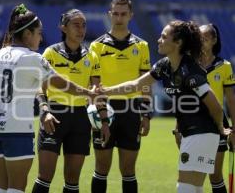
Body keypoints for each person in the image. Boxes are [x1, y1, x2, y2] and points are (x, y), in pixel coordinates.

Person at [97, 20, 232, 193]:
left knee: (184, 188)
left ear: (178, 43)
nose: (159, 40)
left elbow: (215, 106)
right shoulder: (164, 66)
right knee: (195, 188)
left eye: (164, 37)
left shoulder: (190, 71)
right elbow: (136, 84)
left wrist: (221, 128)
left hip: (202, 132)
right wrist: (106, 91)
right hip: (192, 132)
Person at [0, 4, 97, 193]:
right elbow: (59, 83)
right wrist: (87, 92)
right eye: (38, 32)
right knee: (17, 188)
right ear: (27, 34)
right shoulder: (33, 58)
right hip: (17, 130)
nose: (41, 37)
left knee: (1, 186)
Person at [31, 9, 110, 193]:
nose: (81, 29)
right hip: (54, 115)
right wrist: (44, 110)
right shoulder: (50, 53)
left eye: (83, 25)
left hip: (81, 119)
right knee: (45, 176)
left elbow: (97, 93)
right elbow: (39, 86)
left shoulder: (92, 56)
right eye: (76, 24)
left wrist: (104, 121)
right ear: (63, 27)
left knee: (73, 180)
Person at [89, 0, 152, 193]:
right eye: (115, 13)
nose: (119, 18)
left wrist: (146, 114)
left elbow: (146, 85)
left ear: (130, 15)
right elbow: (95, 85)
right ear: (109, 14)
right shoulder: (96, 46)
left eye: (123, 14)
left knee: (128, 169)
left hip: (132, 111)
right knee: (101, 168)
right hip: (105, 110)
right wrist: (101, 114)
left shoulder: (141, 46)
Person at [173, 23, 235, 193]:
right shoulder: (188, 64)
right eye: (199, 38)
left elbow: (231, 99)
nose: (201, 42)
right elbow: (182, 99)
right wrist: (177, 127)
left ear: (214, 40)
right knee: (194, 174)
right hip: (191, 122)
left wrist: (234, 129)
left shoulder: (224, 66)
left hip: (217, 123)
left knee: (215, 175)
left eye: (205, 38)